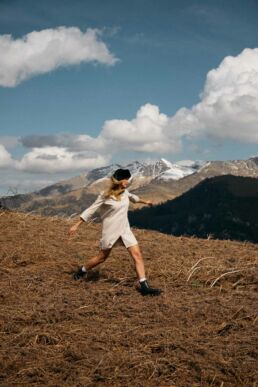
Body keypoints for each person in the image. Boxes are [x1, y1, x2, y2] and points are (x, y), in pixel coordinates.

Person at [69, 168, 162, 296]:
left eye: (128, 180)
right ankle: (82, 271)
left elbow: (133, 198)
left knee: (137, 255)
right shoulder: (105, 195)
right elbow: (91, 210)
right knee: (102, 257)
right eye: (126, 179)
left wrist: (146, 202)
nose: (127, 182)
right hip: (111, 230)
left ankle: (144, 286)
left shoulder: (125, 192)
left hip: (125, 229)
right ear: (119, 180)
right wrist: (76, 225)